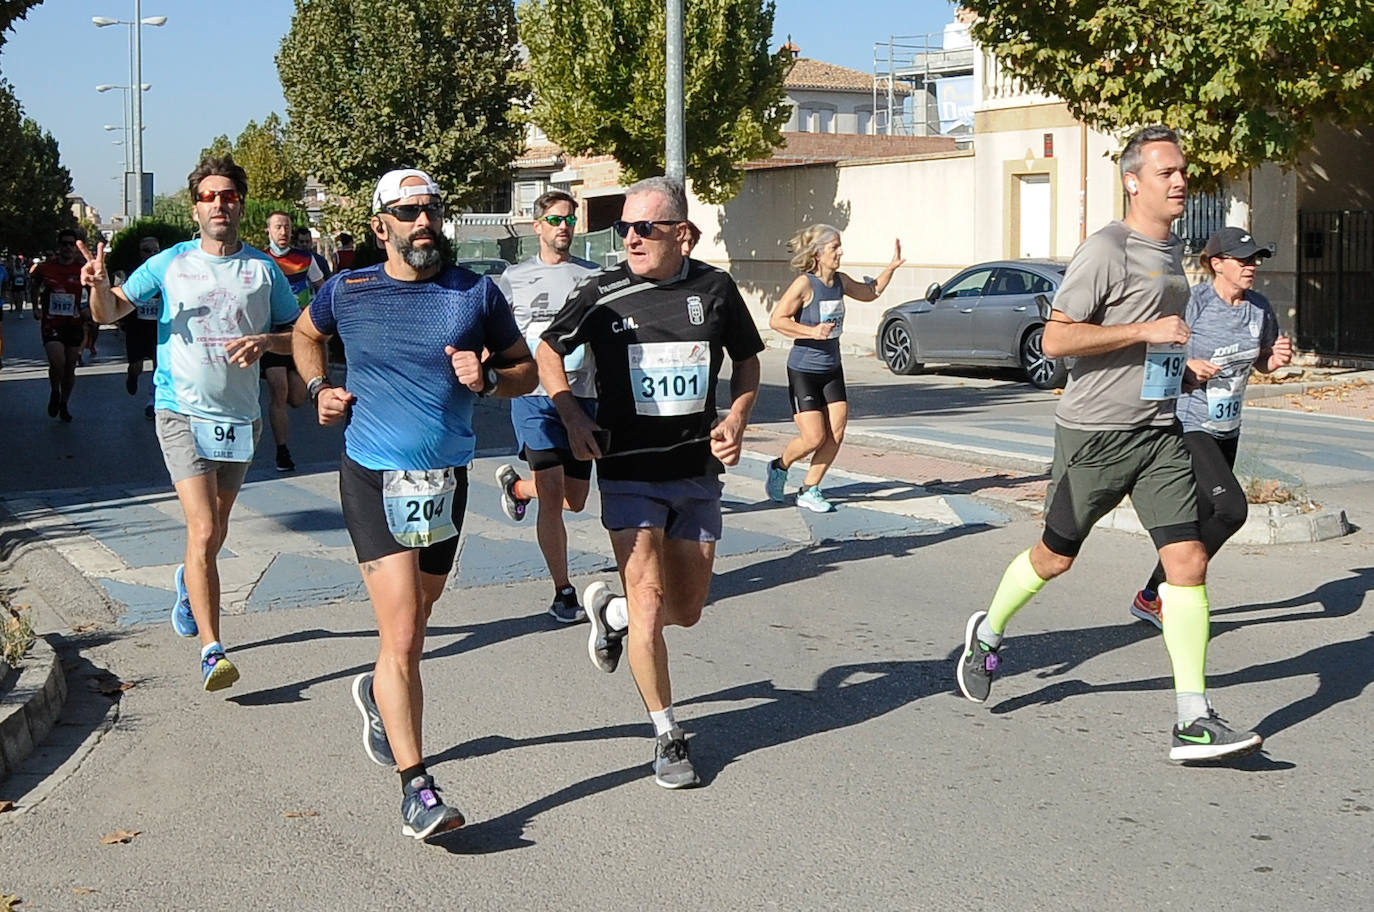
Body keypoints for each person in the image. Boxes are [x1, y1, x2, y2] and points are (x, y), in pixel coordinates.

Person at [953, 125, 1264, 764]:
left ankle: (1192, 718)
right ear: (1133, 181)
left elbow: (1165, 338)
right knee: (1055, 557)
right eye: (1166, 173)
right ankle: (987, 632)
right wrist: (1146, 329)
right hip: (1096, 434)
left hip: (1161, 429)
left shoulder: (1172, 249)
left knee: (1188, 562)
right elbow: (1057, 341)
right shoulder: (1106, 249)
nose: (1180, 181)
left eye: (1182, 171)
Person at [293, 168, 536, 840]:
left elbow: (527, 371)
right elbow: (304, 337)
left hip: (443, 482)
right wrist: (319, 390)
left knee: (419, 618)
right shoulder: (348, 290)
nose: (423, 224)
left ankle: (377, 691)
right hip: (372, 475)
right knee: (401, 633)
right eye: (407, 214)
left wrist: (488, 378)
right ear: (381, 227)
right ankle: (416, 788)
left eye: (431, 211)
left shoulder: (475, 293)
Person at [538, 176, 764, 788]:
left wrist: (737, 414)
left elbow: (748, 359)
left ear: (682, 234)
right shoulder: (603, 292)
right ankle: (667, 734)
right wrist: (570, 411)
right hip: (628, 470)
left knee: (687, 610)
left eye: (644, 228)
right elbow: (548, 349)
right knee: (650, 600)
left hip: (693, 469)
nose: (630, 239)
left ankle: (608, 615)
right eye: (624, 228)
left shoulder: (715, 289)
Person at [82, 154, 299, 692]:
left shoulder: (262, 270)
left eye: (228, 195)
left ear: (241, 205)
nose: (219, 203)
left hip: (240, 417)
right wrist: (98, 283)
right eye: (209, 196)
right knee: (202, 528)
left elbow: (302, 335)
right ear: (195, 208)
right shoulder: (172, 264)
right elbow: (108, 313)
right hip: (179, 411)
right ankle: (212, 650)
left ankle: (187, 581)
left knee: (215, 531)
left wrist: (268, 342)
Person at [1130, 227, 1292, 627]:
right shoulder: (1195, 302)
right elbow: (1160, 349)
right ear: (1217, 264)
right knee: (1231, 509)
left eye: (1255, 259)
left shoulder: (1259, 308)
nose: (1251, 266)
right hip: (1188, 420)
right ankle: (1183, 586)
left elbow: (1262, 360)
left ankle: (1151, 595)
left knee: (1203, 513)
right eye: (1243, 259)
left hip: (1228, 426)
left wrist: (1275, 359)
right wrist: (1187, 366)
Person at [492, 190, 600, 623]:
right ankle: (563, 589)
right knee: (553, 493)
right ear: (537, 226)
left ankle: (517, 489)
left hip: (583, 394)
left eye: (570, 221)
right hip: (533, 397)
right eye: (555, 220)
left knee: (575, 499)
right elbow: (496, 334)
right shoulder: (512, 279)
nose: (563, 228)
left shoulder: (595, 276)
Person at [765, 227, 904, 512]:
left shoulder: (839, 281)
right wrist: (811, 331)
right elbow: (777, 320)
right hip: (804, 369)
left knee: (837, 431)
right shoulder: (804, 284)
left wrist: (890, 268)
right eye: (835, 248)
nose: (840, 252)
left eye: (840, 247)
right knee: (813, 437)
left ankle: (810, 488)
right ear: (818, 253)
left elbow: (870, 292)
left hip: (832, 367)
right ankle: (780, 466)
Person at [263, 211, 321, 471]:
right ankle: (282, 451)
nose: (283, 232)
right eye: (278, 227)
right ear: (269, 231)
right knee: (279, 390)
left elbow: (323, 287)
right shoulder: (260, 260)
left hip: (299, 335)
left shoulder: (306, 259)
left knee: (297, 397)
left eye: (286, 226)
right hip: (272, 334)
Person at [33, 229, 90, 421]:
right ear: (59, 246)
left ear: (76, 247)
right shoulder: (45, 268)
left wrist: (91, 312)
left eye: (71, 244)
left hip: (74, 323)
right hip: (52, 322)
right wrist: (36, 307)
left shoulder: (82, 268)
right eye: (64, 244)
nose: (67, 247)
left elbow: (92, 293)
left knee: (70, 367)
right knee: (58, 362)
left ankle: (64, 403)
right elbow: (34, 286)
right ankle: (54, 391)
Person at [118, 236, 163, 418]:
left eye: (155, 251)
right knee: (136, 366)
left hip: (159, 328)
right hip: (137, 328)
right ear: (140, 253)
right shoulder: (134, 274)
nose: (152, 254)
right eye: (147, 250)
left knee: (159, 365)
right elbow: (123, 299)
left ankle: (153, 401)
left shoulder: (166, 274)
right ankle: (132, 375)